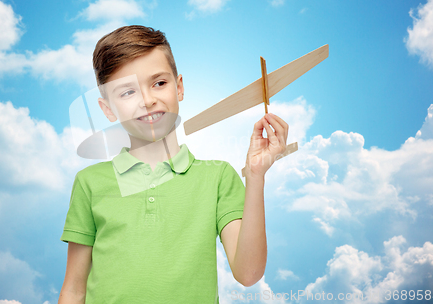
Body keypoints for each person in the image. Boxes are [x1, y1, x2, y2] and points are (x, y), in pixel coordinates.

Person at [58, 25, 289, 303]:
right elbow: (74, 289)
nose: (148, 100)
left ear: (179, 87)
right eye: (127, 92)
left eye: (159, 83)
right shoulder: (90, 183)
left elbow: (248, 273)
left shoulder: (217, 178)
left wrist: (255, 176)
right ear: (107, 109)